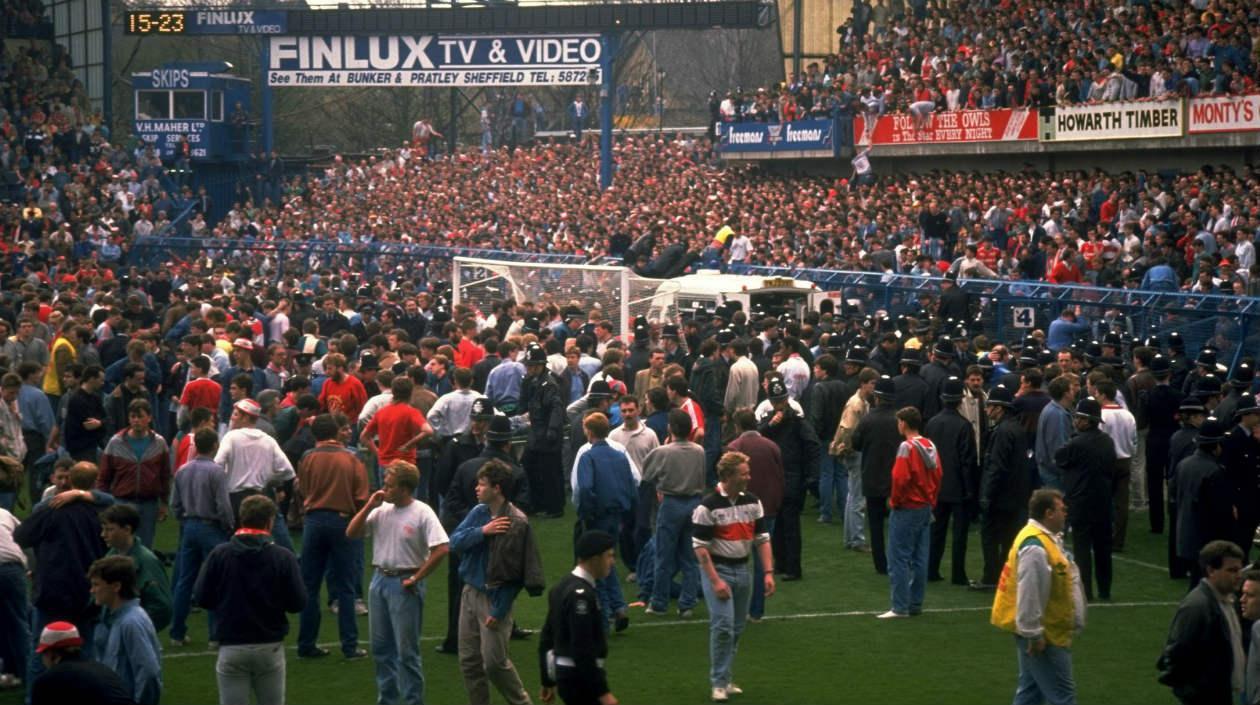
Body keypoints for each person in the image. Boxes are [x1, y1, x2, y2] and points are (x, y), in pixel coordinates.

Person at [347, 460, 450, 705]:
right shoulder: (381, 510)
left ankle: (414, 701)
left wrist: (417, 577)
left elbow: (442, 548)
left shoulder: (422, 512)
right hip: (379, 581)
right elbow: (351, 533)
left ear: (405, 489)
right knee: (381, 649)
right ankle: (388, 700)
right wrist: (369, 506)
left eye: (390, 485)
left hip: (405, 583)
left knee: (406, 653)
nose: (384, 489)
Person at [194, 495, 307, 705]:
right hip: (269, 645)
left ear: (241, 518)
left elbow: (202, 597)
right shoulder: (283, 557)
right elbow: (297, 603)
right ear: (269, 521)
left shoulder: (220, 554)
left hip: (231, 645)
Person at [449, 460, 541, 705]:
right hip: (470, 593)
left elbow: (518, 573)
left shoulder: (517, 522)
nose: (476, 489)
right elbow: (455, 541)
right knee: (469, 661)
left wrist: (499, 610)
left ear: (497, 488)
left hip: (494, 599)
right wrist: (483, 531)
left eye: (481, 484)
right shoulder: (479, 513)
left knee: (494, 663)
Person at [15, 461, 108, 687]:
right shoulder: (102, 511)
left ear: (70, 480)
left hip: (52, 587)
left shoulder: (51, 509)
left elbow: (22, 535)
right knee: (85, 648)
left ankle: (36, 697)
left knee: (42, 648)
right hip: (88, 588)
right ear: (95, 483)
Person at [990, 489, 1087, 705]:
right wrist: (1034, 634)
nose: (1066, 513)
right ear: (1048, 513)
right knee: (1063, 696)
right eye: (1062, 509)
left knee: (1031, 693)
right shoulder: (1035, 548)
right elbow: (1029, 594)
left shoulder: (1042, 539)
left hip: (1044, 630)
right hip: (1046, 634)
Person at [692, 451, 774, 703]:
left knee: (737, 628)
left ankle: (725, 678)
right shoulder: (707, 506)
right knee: (723, 626)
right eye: (744, 473)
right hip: (719, 570)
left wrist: (768, 572)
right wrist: (715, 580)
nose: (749, 477)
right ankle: (718, 682)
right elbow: (700, 547)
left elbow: (762, 540)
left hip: (743, 569)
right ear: (728, 476)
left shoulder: (753, 502)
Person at [295, 414, 370, 660]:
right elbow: (361, 495)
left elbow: (301, 488)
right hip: (343, 522)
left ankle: (306, 644)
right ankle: (349, 646)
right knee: (346, 587)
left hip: (314, 521)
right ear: (336, 432)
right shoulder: (352, 458)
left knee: (310, 586)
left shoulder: (307, 457)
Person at [1158, 540, 1246, 705]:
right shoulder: (1197, 607)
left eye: (1240, 569)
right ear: (1211, 570)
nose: (1239, 575)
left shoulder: (1228, 600)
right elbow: (1176, 655)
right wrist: (1192, 693)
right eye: (1232, 570)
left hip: (1222, 693)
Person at [538, 529, 620, 705]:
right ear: (595, 559)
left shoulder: (560, 587)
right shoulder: (581, 595)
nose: (612, 562)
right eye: (609, 556)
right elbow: (582, 646)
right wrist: (602, 691)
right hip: (580, 678)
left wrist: (547, 680)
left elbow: (547, 637)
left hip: (566, 675)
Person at [169, 428, 234, 647]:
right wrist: (229, 526)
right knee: (215, 580)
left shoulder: (183, 471)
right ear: (215, 445)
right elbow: (223, 506)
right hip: (211, 527)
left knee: (184, 581)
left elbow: (174, 505)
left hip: (189, 526)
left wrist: (184, 519)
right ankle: (215, 635)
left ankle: (177, 632)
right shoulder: (217, 472)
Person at [572, 412, 637, 632]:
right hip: (617, 516)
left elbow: (585, 489)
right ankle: (619, 607)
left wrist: (586, 514)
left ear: (588, 431)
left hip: (597, 517)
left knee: (595, 566)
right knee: (609, 561)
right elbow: (631, 485)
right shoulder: (620, 455)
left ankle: (605, 616)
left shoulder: (587, 457)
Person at [641, 410, 707, 617]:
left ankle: (658, 602)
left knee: (663, 555)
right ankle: (687, 603)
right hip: (694, 503)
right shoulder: (699, 451)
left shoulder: (663, 451)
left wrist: (661, 483)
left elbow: (646, 474)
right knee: (690, 557)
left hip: (671, 503)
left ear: (671, 428)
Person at [1053, 397, 1117, 602]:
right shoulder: (1107, 441)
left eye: (1079, 418)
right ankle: (1105, 590)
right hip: (1103, 501)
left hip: (1080, 502)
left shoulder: (1076, 443)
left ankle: (1085, 591)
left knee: (1082, 549)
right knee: (1103, 550)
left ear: (1088, 421)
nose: (1075, 421)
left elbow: (1059, 458)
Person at [880, 407, 940, 619]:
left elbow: (900, 479)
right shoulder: (930, 445)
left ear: (903, 423)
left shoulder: (906, 447)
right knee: (920, 558)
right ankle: (915, 604)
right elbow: (938, 475)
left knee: (898, 558)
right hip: (925, 507)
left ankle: (899, 606)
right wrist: (931, 500)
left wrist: (895, 501)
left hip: (907, 508)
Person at [757, 378, 819, 582]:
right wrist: (769, 425)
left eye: (780, 401)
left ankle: (793, 567)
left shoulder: (798, 421)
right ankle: (781, 563)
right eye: (775, 402)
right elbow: (757, 435)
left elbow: (812, 446)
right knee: (777, 524)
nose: (778, 405)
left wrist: (811, 475)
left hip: (792, 476)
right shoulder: (770, 421)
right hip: (776, 477)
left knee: (790, 525)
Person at [976, 384, 1032, 591]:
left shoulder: (1002, 432)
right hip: (1015, 495)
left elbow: (996, 467)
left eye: (990, 406)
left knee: (990, 538)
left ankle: (991, 576)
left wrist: (986, 496)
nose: (987, 410)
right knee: (1009, 539)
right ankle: (1004, 576)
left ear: (999, 408)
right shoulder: (1016, 428)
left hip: (1000, 496)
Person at [925, 377, 979, 586]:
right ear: (959, 400)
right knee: (959, 533)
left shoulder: (932, 423)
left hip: (937, 485)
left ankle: (932, 569)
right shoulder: (964, 426)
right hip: (958, 487)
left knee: (936, 530)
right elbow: (968, 461)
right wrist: (969, 489)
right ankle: (958, 573)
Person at [97, 399, 170, 553]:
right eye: (133, 417)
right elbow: (104, 476)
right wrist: (103, 504)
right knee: (120, 546)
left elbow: (164, 475)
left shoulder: (159, 443)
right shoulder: (116, 442)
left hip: (148, 503)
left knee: (145, 548)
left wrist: (163, 503)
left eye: (140, 416)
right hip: (122, 501)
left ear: (149, 418)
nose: (136, 420)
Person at [88, 555, 163, 705]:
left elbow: (148, 673)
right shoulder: (112, 617)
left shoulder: (131, 622)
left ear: (116, 586)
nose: (92, 590)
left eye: (96, 585)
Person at [1174, 416, 1236, 589]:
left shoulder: (1184, 465)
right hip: (1207, 539)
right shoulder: (1214, 472)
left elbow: (1174, 496)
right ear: (1216, 446)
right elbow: (1220, 512)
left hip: (1186, 533)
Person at [851, 375, 902, 575]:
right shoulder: (899, 419)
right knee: (897, 523)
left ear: (877, 397)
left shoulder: (868, 420)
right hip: (896, 478)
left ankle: (880, 564)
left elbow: (856, 444)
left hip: (872, 475)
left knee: (875, 523)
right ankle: (897, 559)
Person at [99, 504, 172, 634]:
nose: (103, 534)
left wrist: (135, 628)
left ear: (127, 529)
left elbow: (162, 608)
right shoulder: (110, 556)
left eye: (110, 529)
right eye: (103, 529)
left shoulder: (147, 562)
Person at [30, 622, 132, 705]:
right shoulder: (103, 669)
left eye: (43, 653)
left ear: (52, 654)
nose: (43, 659)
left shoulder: (47, 681)